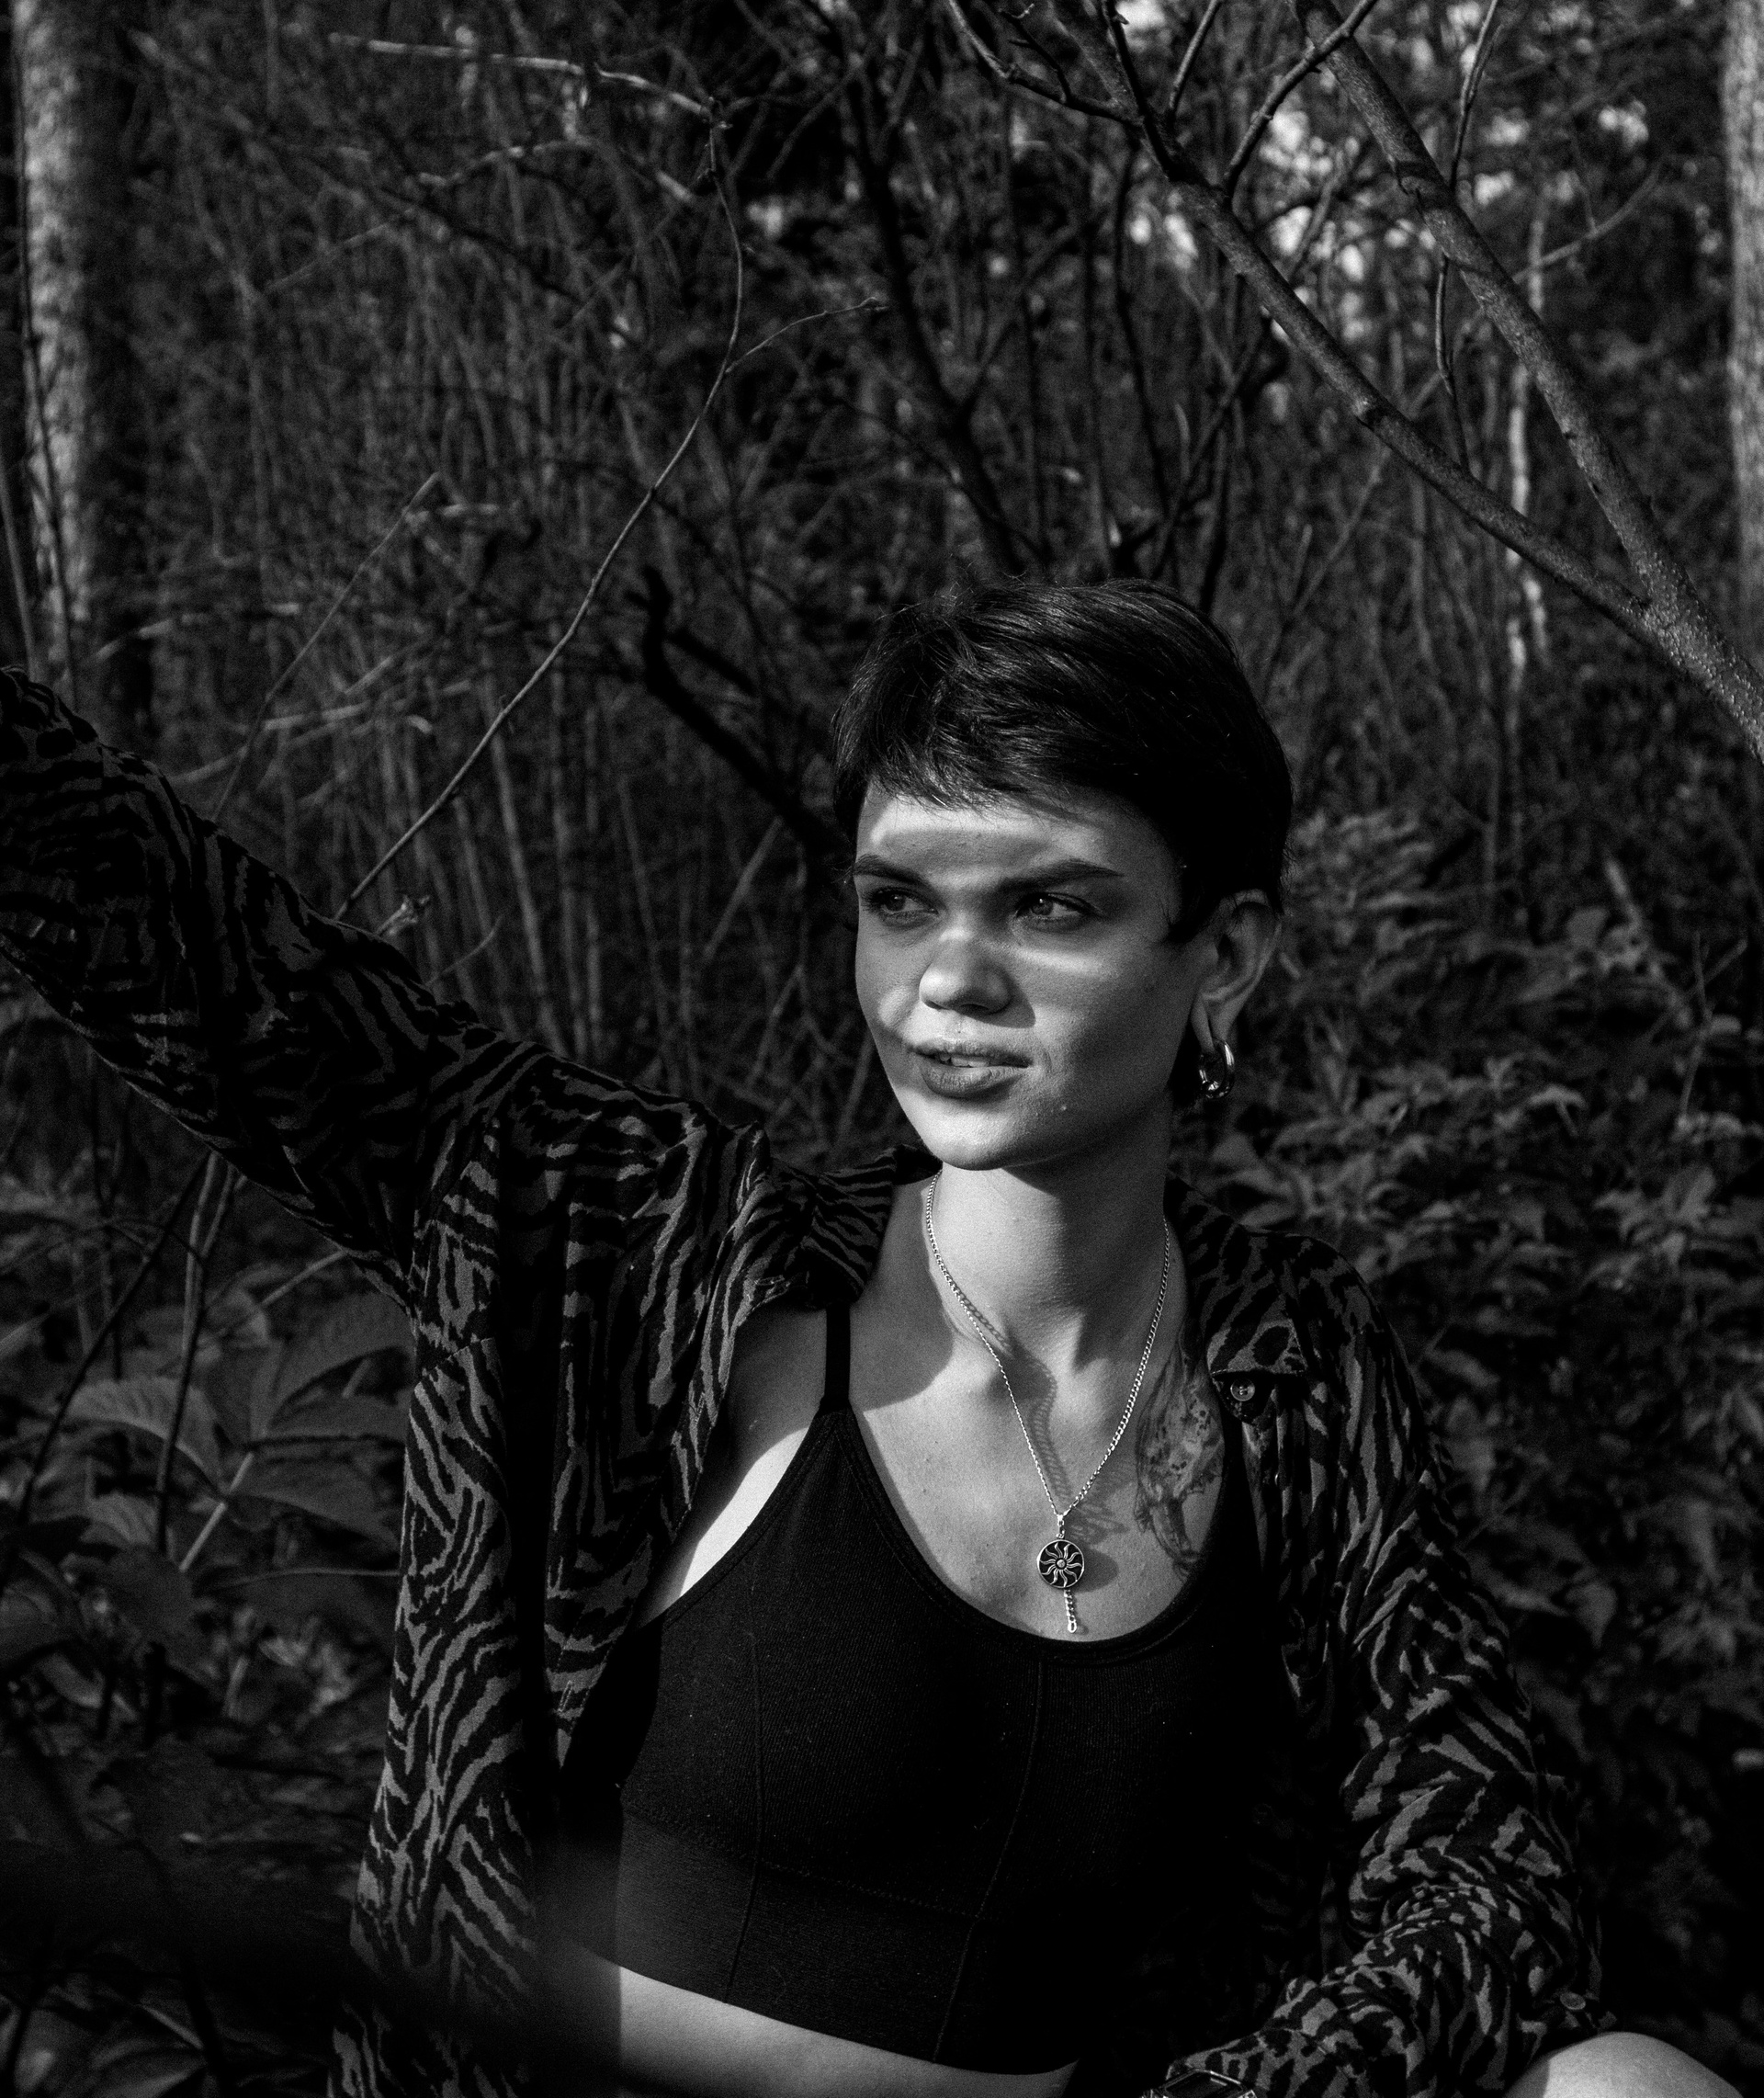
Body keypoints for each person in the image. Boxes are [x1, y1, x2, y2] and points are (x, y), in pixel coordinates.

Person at [0, 583, 1735, 2098]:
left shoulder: (1299, 1378)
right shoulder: (656, 1255)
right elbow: (206, 961)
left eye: (1050, 908)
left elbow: (1492, 1884)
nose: (947, 980)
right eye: (900, 900)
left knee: (1626, 2087)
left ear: (1225, 957)